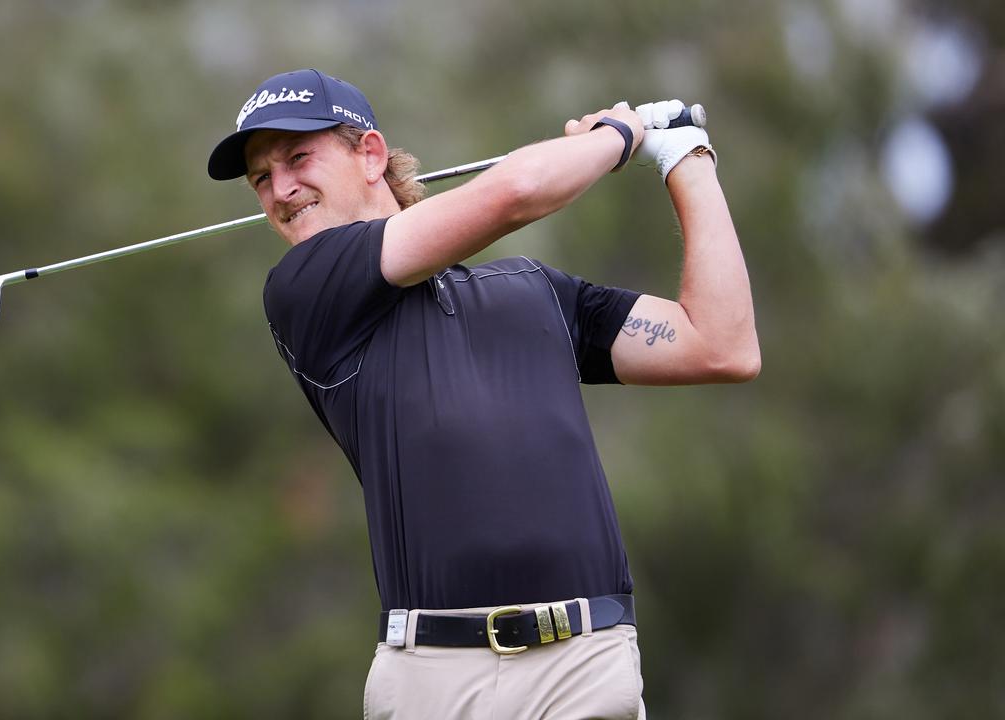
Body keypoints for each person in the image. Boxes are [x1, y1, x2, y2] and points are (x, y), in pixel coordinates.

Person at [208, 69, 759, 719]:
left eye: (297, 157)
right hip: (437, 681)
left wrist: (685, 156)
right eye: (261, 178)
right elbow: (515, 192)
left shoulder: (534, 290)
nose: (280, 189)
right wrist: (624, 132)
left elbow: (721, 345)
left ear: (371, 155)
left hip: (585, 667)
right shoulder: (305, 288)